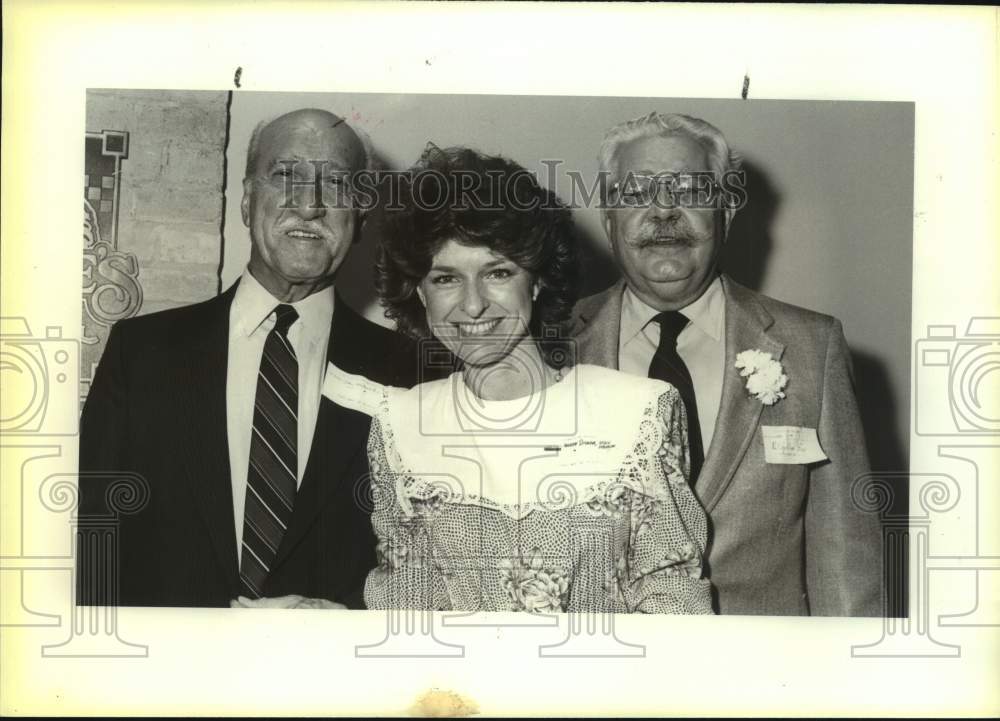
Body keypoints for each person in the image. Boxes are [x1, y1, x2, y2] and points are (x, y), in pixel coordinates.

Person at [323, 145, 713, 613]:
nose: (473, 305)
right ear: (419, 293)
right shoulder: (399, 424)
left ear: (538, 280)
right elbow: (406, 602)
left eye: (498, 273)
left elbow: (674, 602)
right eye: (445, 279)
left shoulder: (639, 411)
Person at [78, 108, 418, 607]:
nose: (309, 206)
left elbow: (431, 568)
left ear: (361, 216)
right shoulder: (141, 354)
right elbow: (92, 543)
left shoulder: (411, 371)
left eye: (337, 184)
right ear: (246, 199)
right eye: (286, 176)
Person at [571, 112, 882, 616]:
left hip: (763, 680)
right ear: (609, 219)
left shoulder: (812, 347)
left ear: (727, 213)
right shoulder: (549, 346)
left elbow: (847, 560)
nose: (664, 211)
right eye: (636, 193)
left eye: (691, 191)